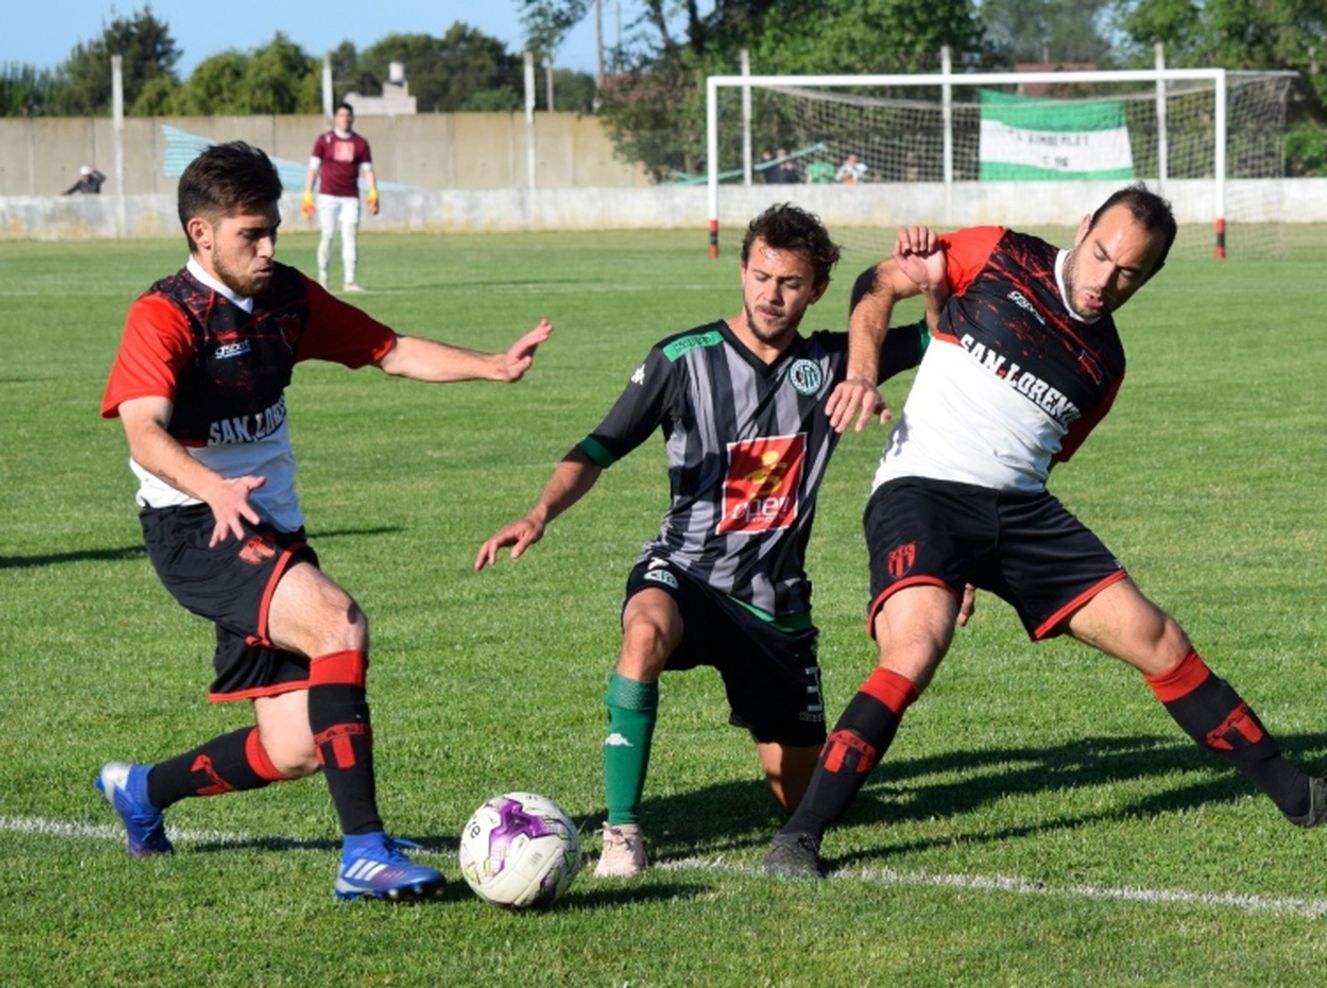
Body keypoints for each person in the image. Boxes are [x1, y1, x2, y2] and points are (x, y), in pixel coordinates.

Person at [762, 183, 1327, 878]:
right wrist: (862, 372)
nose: (1104, 280)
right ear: (1083, 227)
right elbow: (878, 282)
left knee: (1161, 640)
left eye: (1128, 272)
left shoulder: (1106, 367)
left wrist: (974, 564)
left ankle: (1306, 800)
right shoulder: (998, 252)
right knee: (915, 650)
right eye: (1101, 254)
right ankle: (799, 839)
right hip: (924, 491)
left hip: (1021, 509)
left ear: (1149, 276)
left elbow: (1032, 454)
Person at [96, 141, 553, 902]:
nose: (271, 247)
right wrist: (210, 486)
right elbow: (144, 429)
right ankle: (364, 852)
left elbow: (391, 350)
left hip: (267, 525)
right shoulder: (164, 314)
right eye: (253, 234)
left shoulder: (287, 300)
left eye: (274, 228)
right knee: (339, 624)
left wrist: (494, 365)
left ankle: (143, 791)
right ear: (201, 234)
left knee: (297, 747)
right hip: (194, 525)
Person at [474, 202, 929, 878]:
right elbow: (598, 446)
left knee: (798, 799)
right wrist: (540, 512)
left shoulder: (835, 360)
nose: (771, 295)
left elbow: (941, 339)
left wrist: (926, 273)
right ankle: (622, 833)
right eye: (761, 276)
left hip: (775, 602)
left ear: (817, 289)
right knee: (645, 632)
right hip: (684, 571)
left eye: (791, 283)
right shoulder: (681, 360)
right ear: (743, 271)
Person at [302, 102, 378, 292]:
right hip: (328, 196)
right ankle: (323, 278)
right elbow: (313, 168)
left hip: (350, 197)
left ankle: (350, 281)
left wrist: (373, 193)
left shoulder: (361, 143)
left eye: (348, 115)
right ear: (336, 118)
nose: (345, 119)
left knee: (350, 237)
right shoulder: (324, 140)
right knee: (327, 236)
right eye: (342, 115)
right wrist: (308, 195)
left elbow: (368, 171)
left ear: (353, 118)